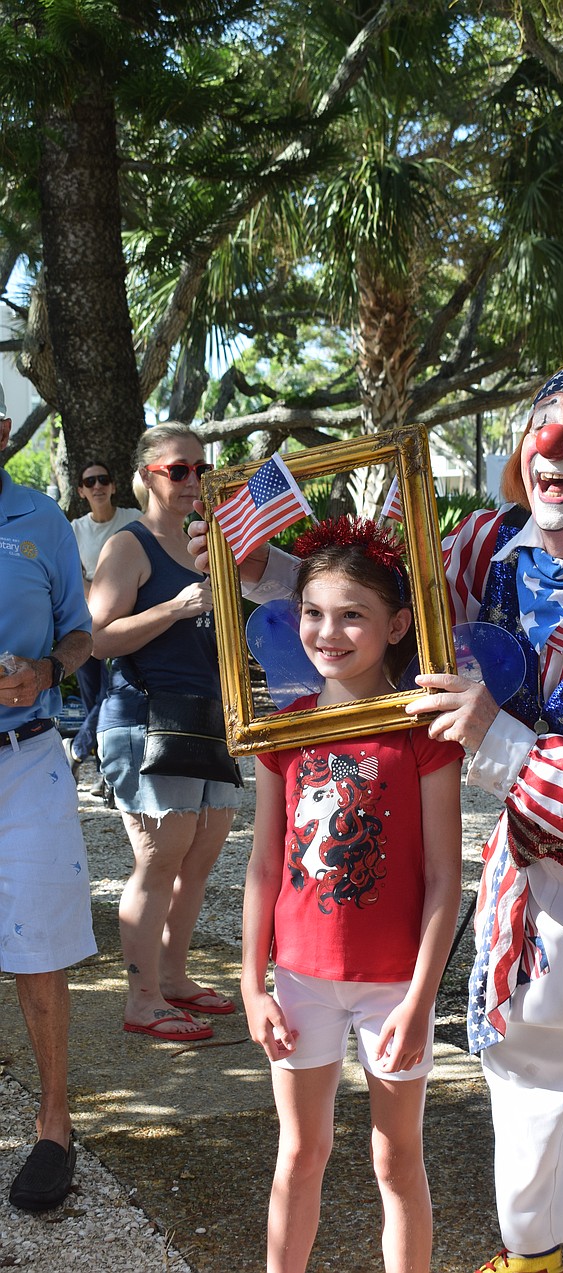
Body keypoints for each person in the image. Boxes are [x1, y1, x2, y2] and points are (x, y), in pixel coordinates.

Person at [191, 357, 563, 1273]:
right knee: (529, 1054)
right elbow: (383, 605)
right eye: (544, 423)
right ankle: (534, 1251)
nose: (554, 441)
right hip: (539, 845)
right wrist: (260, 563)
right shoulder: (490, 543)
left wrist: (500, 743)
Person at [240, 515, 463, 1273]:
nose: (328, 631)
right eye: (312, 612)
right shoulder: (285, 731)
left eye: (352, 614)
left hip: (394, 985)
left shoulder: (422, 730)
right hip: (300, 980)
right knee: (299, 1153)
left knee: (396, 1159)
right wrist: (251, 984)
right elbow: (264, 868)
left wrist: (421, 998)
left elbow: (443, 878)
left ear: (397, 622)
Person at [89, 424, 240, 1042]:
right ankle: (142, 997)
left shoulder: (208, 543)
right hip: (147, 723)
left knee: (201, 855)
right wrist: (175, 608)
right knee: (159, 859)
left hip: (208, 722)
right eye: (179, 470)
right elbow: (95, 639)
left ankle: (173, 979)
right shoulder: (128, 546)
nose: (194, 481)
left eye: (201, 469)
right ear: (147, 476)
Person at [0, 381, 97, 1210]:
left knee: (38, 947)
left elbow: (80, 630)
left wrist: (47, 669)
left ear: (2, 432)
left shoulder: (42, 522)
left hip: (27, 758)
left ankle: (55, 1121)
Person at [63, 460, 141, 784]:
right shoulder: (75, 529)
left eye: (103, 479)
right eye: (90, 481)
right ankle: (102, 773)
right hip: (82, 623)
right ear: (81, 491)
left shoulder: (133, 520)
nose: (98, 486)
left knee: (110, 696)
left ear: (113, 486)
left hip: (121, 623)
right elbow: (70, 575)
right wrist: (97, 596)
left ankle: (77, 748)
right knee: (92, 695)